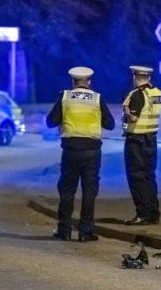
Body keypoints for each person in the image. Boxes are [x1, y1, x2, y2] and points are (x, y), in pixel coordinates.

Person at [46, 66, 115, 242]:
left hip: (70, 151)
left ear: (73, 82)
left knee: (67, 190)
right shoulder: (97, 98)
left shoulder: (65, 97)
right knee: (89, 192)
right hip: (92, 151)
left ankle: (64, 230)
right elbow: (110, 124)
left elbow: (50, 122)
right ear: (89, 82)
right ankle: (86, 232)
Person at [122, 65, 161, 225]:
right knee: (149, 177)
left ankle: (143, 214)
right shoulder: (158, 93)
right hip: (151, 140)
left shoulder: (137, 95)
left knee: (137, 178)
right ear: (149, 77)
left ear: (135, 77)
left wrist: (126, 109)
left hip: (137, 141)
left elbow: (133, 118)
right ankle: (153, 213)